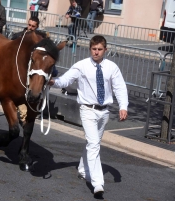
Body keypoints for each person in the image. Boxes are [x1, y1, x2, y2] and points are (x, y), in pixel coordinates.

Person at [48, 35, 128, 195]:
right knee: (93, 144)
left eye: (99, 49)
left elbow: (120, 86)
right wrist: (52, 81)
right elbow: (65, 81)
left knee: (94, 143)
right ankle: (97, 183)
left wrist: (123, 106)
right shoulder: (82, 65)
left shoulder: (112, 67)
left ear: (105, 50)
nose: (96, 52)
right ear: (90, 49)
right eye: (93, 49)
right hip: (87, 110)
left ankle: (83, 170)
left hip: (104, 111)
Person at [10, 16, 58, 125]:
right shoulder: (19, 36)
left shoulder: (40, 40)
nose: (30, 28)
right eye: (29, 25)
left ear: (36, 27)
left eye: (33, 26)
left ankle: (25, 118)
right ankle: (22, 118)